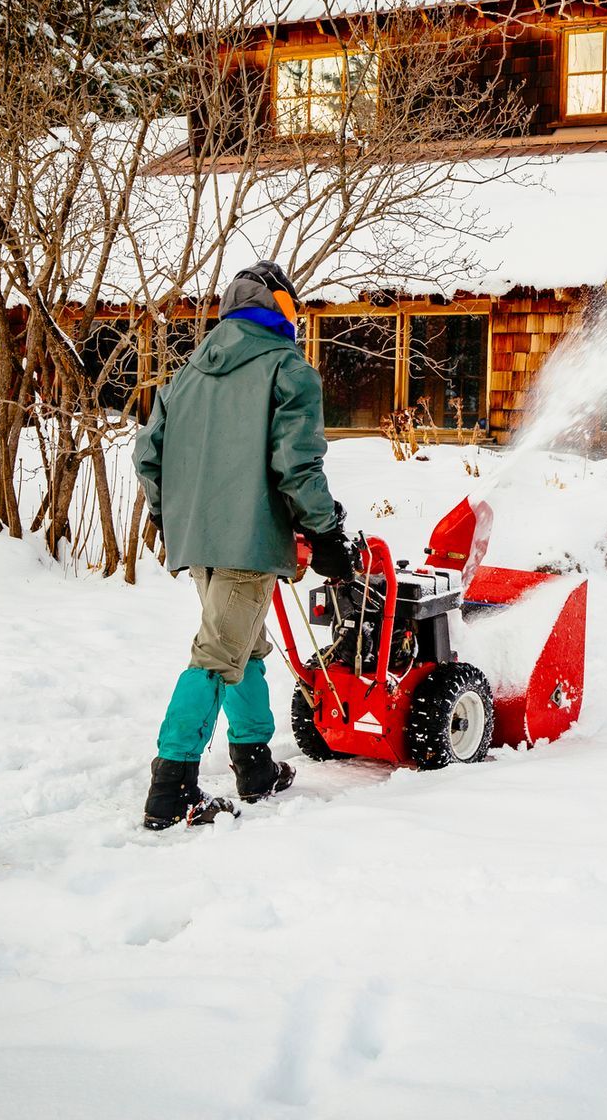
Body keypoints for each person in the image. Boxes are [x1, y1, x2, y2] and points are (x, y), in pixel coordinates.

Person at [132, 261, 357, 830]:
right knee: (215, 656)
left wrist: (170, 518)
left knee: (247, 646)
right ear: (284, 311)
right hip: (249, 541)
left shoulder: (186, 375)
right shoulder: (288, 370)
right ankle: (172, 786)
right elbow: (296, 465)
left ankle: (254, 764)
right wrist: (326, 532)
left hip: (198, 540)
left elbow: (148, 457)